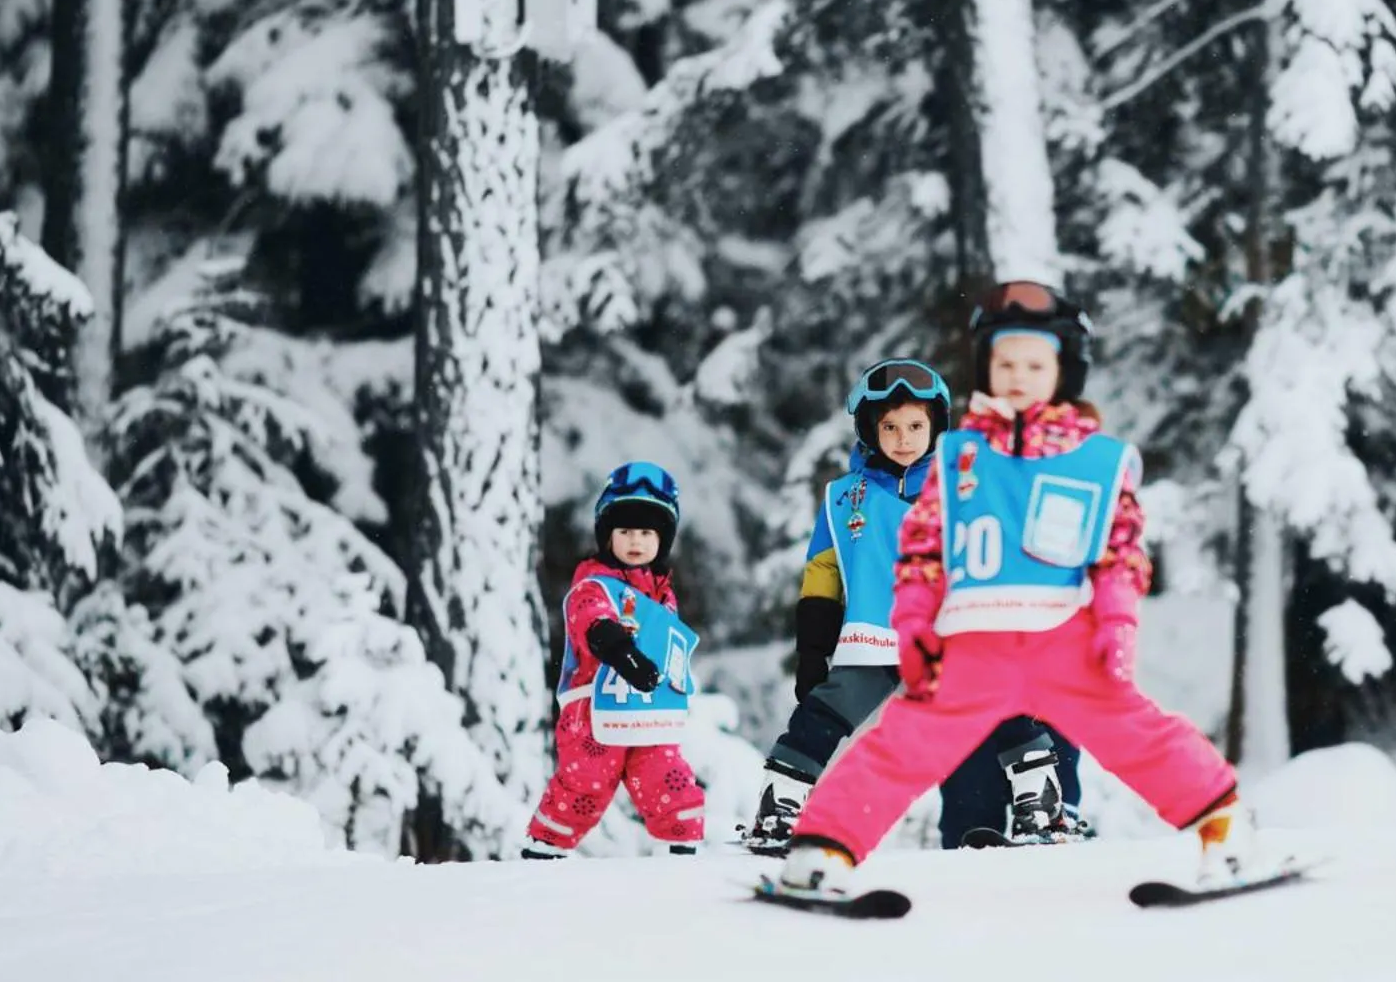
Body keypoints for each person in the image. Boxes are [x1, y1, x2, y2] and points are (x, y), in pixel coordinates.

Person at [777, 283, 1258, 892]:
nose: (1018, 376)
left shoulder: (1095, 461)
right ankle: (823, 852)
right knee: (903, 744)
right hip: (973, 646)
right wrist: (916, 626)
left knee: (1138, 735)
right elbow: (922, 554)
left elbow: (1121, 555)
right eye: (1005, 364)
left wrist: (1117, 622)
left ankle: (1226, 830)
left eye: (1035, 364)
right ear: (986, 368)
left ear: (1063, 371)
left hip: (1065, 639)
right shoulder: (956, 460)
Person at [742, 358, 1084, 852]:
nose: (905, 438)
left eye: (916, 426)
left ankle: (1041, 805)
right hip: (873, 637)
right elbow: (823, 575)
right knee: (821, 716)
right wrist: (813, 651)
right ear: (870, 430)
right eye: (891, 427)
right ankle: (780, 810)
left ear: (935, 427)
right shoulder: (844, 498)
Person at [522, 462, 706, 858]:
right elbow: (591, 619)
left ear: (663, 539)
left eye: (646, 532)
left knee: (667, 778)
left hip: (648, 711)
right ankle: (543, 851)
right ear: (608, 536)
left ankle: (684, 851)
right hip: (593, 712)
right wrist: (618, 649)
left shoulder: (663, 595)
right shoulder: (593, 584)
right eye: (624, 531)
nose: (635, 540)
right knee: (585, 783)